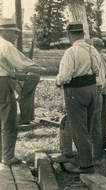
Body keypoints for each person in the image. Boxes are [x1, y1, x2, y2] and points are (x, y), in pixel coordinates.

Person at [54, 21, 101, 174]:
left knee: (78, 128)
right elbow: (97, 70)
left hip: (76, 90)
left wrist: (57, 81)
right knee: (86, 126)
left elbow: (65, 76)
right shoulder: (93, 49)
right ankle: (85, 158)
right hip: (92, 89)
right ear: (83, 34)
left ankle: (86, 165)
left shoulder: (72, 51)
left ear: (69, 35)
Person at [0, 18, 45, 165]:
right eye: (13, 33)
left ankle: (3, 153)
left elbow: (6, 68)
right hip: (3, 85)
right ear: (4, 31)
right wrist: (43, 69)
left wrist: (18, 76)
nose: (16, 36)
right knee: (9, 120)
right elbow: (22, 63)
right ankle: (7, 157)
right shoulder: (6, 45)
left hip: (5, 80)